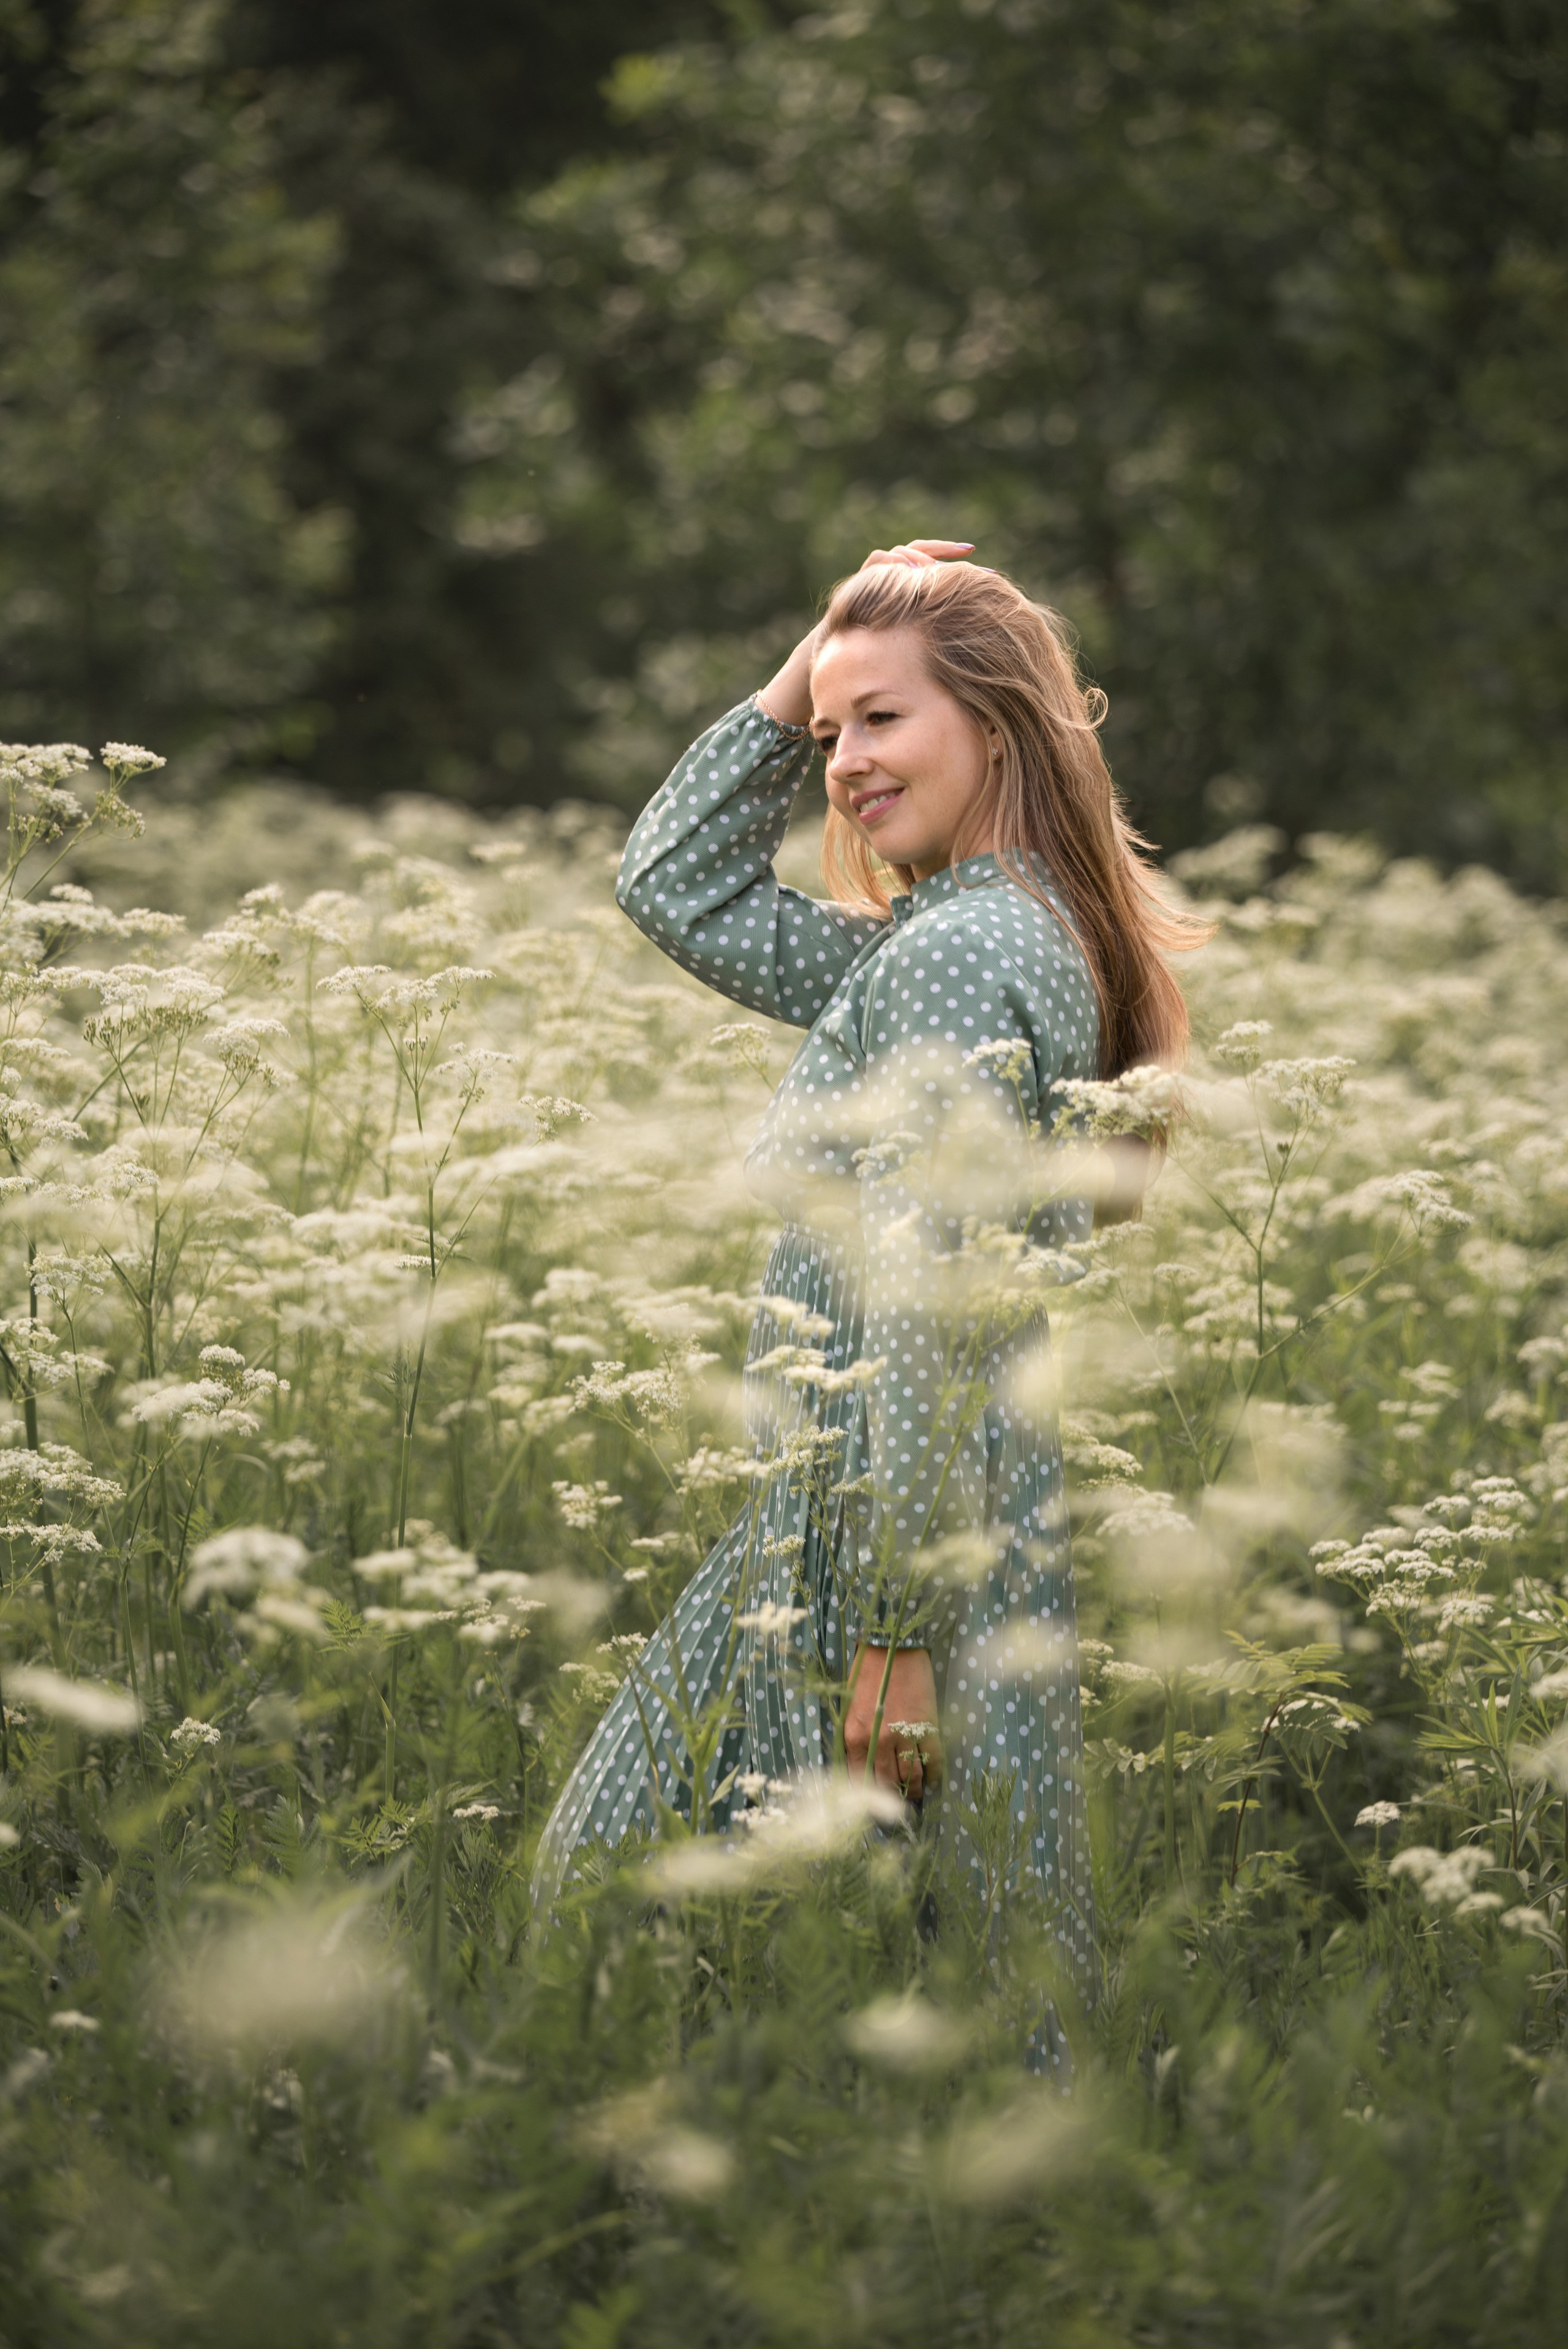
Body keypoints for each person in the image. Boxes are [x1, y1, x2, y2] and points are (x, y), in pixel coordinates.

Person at [532, 543, 1200, 2023]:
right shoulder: (939, 940)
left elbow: (923, 1314)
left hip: (872, 1552)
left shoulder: (957, 960)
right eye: (828, 735)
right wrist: (811, 662)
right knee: (921, 1967)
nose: (841, 762)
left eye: (881, 721)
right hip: (869, 1527)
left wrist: (892, 1637)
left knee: (622, 1917)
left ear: (999, 724)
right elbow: (673, 886)